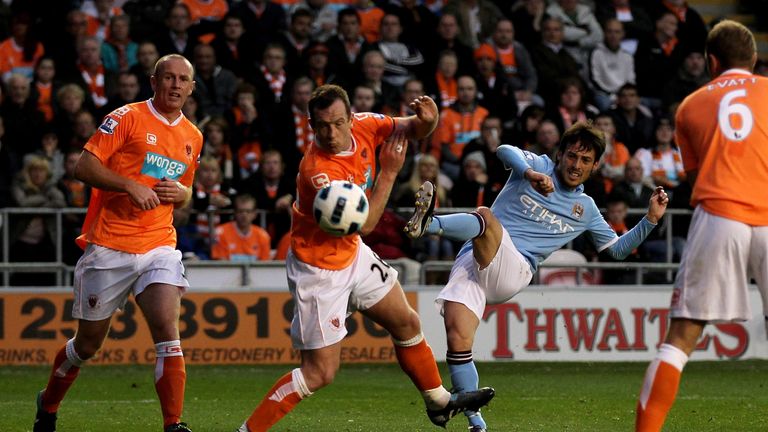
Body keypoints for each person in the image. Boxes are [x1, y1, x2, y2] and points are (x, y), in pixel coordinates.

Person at [235, 84, 494, 432]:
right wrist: (389, 172)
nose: (331, 132)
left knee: (407, 323)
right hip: (320, 269)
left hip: (353, 255)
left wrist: (427, 121)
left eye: (339, 123)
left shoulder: (366, 125)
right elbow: (367, 224)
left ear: (351, 117)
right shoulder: (318, 172)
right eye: (322, 126)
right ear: (311, 125)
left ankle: (438, 402)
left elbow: (409, 129)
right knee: (319, 373)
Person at [405, 121, 669, 432]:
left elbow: (617, 250)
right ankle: (476, 424)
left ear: (595, 166)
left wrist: (650, 220)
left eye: (585, 160)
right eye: (572, 156)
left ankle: (430, 225)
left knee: (485, 217)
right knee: (458, 338)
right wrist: (530, 174)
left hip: (514, 269)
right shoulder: (538, 165)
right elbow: (503, 150)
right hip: (474, 259)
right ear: (560, 155)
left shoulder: (586, 209)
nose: (576, 165)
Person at [32, 54, 202, 432]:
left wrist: (184, 194)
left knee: (166, 329)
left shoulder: (193, 136)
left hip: (159, 243)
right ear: (153, 80)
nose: (175, 85)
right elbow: (83, 166)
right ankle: (49, 402)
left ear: (191, 88)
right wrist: (128, 185)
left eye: (183, 80)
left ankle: (173, 424)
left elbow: (186, 191)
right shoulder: (126, 117)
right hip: (111, 245)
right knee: (87, 346)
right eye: (168, 77)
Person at [634, 20, 768, 431]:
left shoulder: (690, 106)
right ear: (755, 59)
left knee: (681, 339)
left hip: (719, 215)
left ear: (711, 61)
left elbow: (693, 177)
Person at [211, 193, 271, 262]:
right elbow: (220, 263)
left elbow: (264, 265)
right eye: (240, 211)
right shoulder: (221, 232)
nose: (244, 215)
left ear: (255, 214)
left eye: (248, 211)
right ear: (235, 213)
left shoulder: (263, 236)